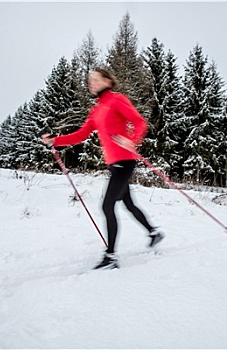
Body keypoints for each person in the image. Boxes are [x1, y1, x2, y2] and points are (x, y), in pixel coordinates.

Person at [41, 68, 164, 270]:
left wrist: (132, 140)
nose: (92, 83)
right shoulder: (97, 109)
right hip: (114, 164)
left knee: (107, 206)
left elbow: (140, 122)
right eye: (90, 81)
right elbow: (81, 134)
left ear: (108, 81)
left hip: (125, 161)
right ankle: (153, 232)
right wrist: (56, 140)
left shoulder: (117, 100)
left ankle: (111, 257)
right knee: (128, 204)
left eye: (96, 80)